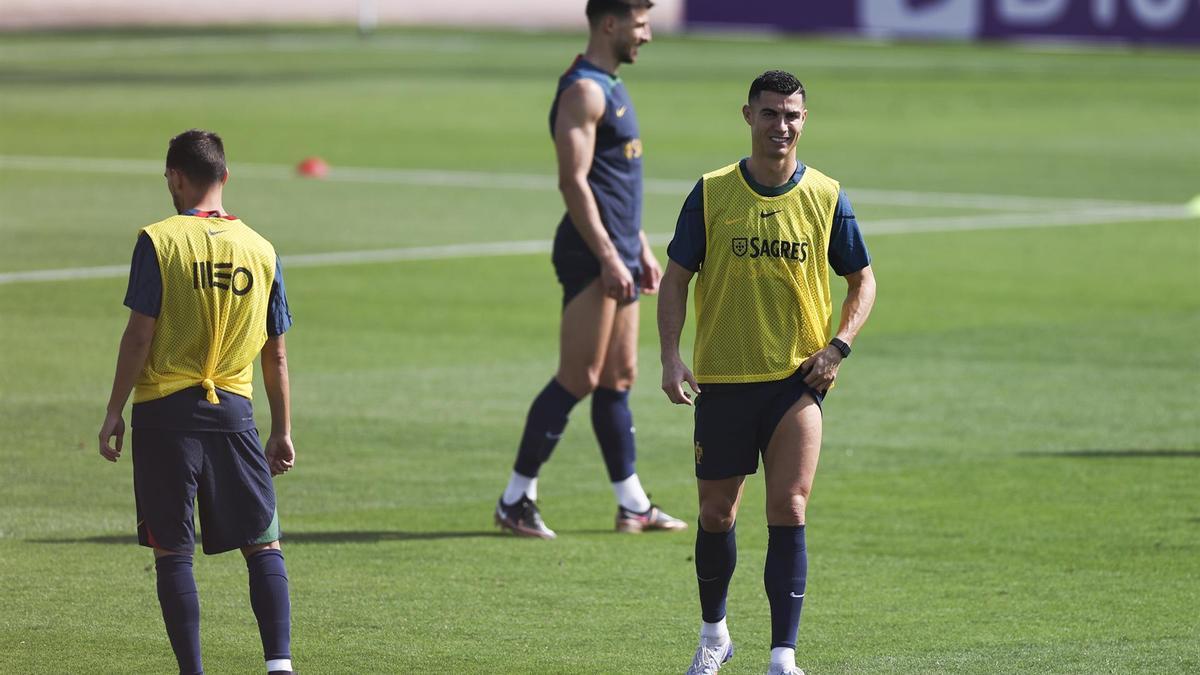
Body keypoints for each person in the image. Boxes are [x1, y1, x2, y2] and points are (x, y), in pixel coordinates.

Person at [658, 71, 877, 675]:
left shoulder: (827, 196)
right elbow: (675, 277)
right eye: (770, 113)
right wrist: (670, 356)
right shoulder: (712, 193)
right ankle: (714, 634)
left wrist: (837, 348)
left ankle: (783, 655)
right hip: (723, 380)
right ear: (747, 116)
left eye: (792, 115)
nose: (781, 125)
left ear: (804, 122)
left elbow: (863, 280)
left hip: (795, 382)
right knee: (715, 514)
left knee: (790, 506)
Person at [98, 129, 297, 675]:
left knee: (173, 551)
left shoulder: (160, 241)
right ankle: (279, 665)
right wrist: (281, 429)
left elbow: (140, 335)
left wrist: (114, 409)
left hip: (165, 415)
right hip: (234, 413)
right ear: (225, 177)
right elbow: (275, 354)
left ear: (176, 177)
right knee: (264, 542)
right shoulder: (262, 249)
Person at [493, 0, 686, 539]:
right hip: (588, 253)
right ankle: (515, 499)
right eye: (640, 24)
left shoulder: (612, 85)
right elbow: (574, 182)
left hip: (620, 250)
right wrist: (607, 254)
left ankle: (633, 505)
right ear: (610, 23)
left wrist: (640, 247)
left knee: (618, 378)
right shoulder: (584, 90)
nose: (646, 34)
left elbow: (614, 186)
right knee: (577, 377)